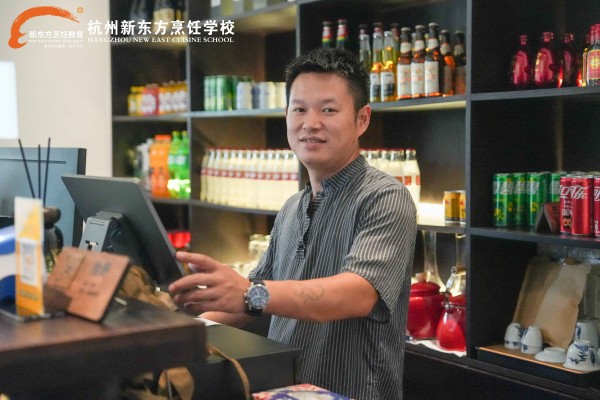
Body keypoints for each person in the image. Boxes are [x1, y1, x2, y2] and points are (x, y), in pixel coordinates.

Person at [168, 48, 417, 400]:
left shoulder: (385, 197)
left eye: (328, 110)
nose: (310, 123)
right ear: (286, 115)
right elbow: (248, 301)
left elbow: (357, 294)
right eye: (299, 109)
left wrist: (249, 293)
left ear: (362, 119)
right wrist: (178, 335)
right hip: (286, 391)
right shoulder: (292, 207)